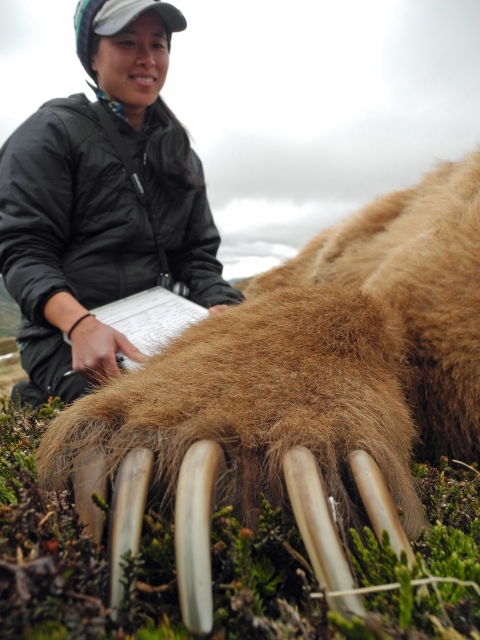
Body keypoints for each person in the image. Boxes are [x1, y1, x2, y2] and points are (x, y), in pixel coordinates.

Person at [0, 0, 244, 406]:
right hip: (67, 334)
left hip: (163, 322)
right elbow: (24, 252)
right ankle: (37, 402)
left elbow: (197, 258)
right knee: (152, 419)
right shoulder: (51, 133)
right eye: (127, 42)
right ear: (92, 56)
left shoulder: (180, 152)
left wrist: (222, 306)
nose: (147, 58)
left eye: (158, 44)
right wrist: (81, 324)